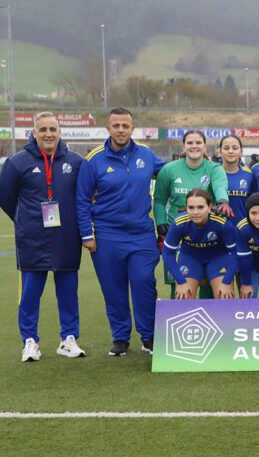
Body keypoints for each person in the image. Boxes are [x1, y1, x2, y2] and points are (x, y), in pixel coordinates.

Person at [76, 107, 166, 356]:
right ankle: (120, 338)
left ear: (132, 128)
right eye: (116, 125)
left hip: (141, 235)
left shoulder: (146, 155)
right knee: (113, 288)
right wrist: (87, 235)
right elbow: (82, 200)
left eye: (125, 125)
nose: (121, 130)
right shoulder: (93, 159)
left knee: (144, 282)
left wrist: (202, 168)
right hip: (106, 236)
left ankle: (149, 337)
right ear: (108, 128)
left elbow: (170, 173)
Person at [0, 112, 85, 361]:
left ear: (60, 132)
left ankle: (68, 339)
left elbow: (84, 195)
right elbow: (4, 196)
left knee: (68, 291)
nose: (48, 134)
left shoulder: (75, 162)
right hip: (32, 238)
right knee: (30, 294)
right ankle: (30, 341)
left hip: (66, 235)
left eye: (53, 129)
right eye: (43, 129)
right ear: (34, 133)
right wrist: (25, 219)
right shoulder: (17, 162)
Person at [154, 130, 232, 299]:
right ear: (183, 146)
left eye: (198, 143)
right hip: (178, 233)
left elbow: (220, 186)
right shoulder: (169, 169)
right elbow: (159, 200)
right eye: (190, 143)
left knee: (210, 285)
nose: (194, 146)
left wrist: (223, 201)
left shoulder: (214, 169)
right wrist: (161, 226)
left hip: (208, 234)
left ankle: (210, 322)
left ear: (205, 146)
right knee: (179, 285)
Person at [161, 189, 238, 299]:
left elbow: (234, 253)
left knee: (224, 297)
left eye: (200, 207)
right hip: (190, 257)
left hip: (218, 257)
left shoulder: (222, 223)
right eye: (191, 207)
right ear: (186, 207)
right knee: (184, 296)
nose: (195, 212)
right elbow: (167, 253)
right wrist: (181, 282)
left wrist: (226, 282)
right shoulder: (179, 223)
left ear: (209, 207)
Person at [221, 134, 254, 227]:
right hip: (217, 233)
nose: (230, 151)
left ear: (241, 151)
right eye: (226, 148)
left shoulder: (249, 175)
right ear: (220, 151)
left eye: (235, 148)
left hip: (241, 230)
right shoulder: (212, 174)